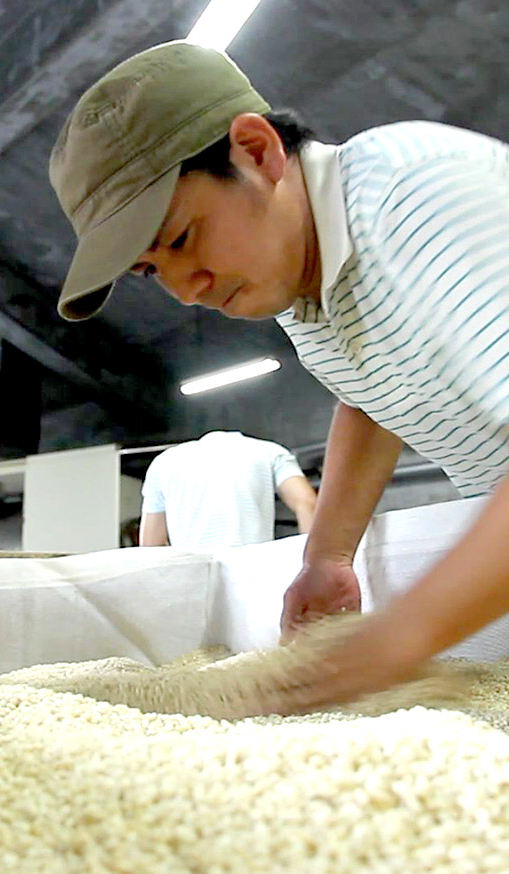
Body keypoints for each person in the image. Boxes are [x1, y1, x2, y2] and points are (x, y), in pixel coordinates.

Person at [48, 39, 509, 709]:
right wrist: (325, 556)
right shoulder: (304, 289)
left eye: (180, 238)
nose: (186, 288)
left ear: (257, 152)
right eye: (152, 271)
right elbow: (371, 398)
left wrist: (398, 640)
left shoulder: (414, 200)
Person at [139, 431, 316, 550]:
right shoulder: (269, 451)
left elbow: (150, 546)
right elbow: (308, 503)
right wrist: (310, 568)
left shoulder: (164, 462)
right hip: (252, 576)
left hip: (192, 581)